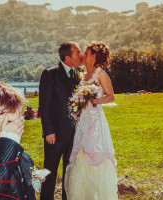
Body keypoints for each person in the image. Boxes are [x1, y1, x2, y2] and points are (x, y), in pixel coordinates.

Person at [65, 42, 118, 199]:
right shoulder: (82, 74)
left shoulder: (100, 74)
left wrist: (96, 101)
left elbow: (111, 96)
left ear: (94, 56)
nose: (83, 56)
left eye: (86, 53)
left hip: (95, 122)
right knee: (81, 152)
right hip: (83, 121)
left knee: (95, 151)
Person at [39, 41, 82, 200]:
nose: (81, 55)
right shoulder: (50, 74)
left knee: (69, 173)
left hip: (74, 134)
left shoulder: (79, 73)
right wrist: (49, 131)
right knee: (50, 172)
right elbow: (44, 105)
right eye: (78, 52)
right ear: (67, 57)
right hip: (54, 135)